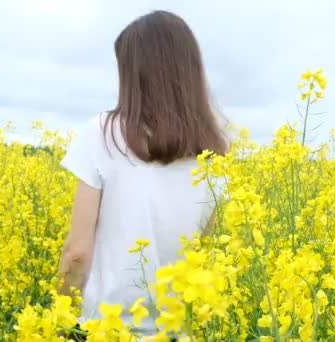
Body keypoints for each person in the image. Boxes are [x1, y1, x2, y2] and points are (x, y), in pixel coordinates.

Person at [57, 10, 229, 337]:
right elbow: (197, 250)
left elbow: (77, 253)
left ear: (133, 74)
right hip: (176, 331)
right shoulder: (214, 153)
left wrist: (60, 321)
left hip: (104, 330)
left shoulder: (102, 134)